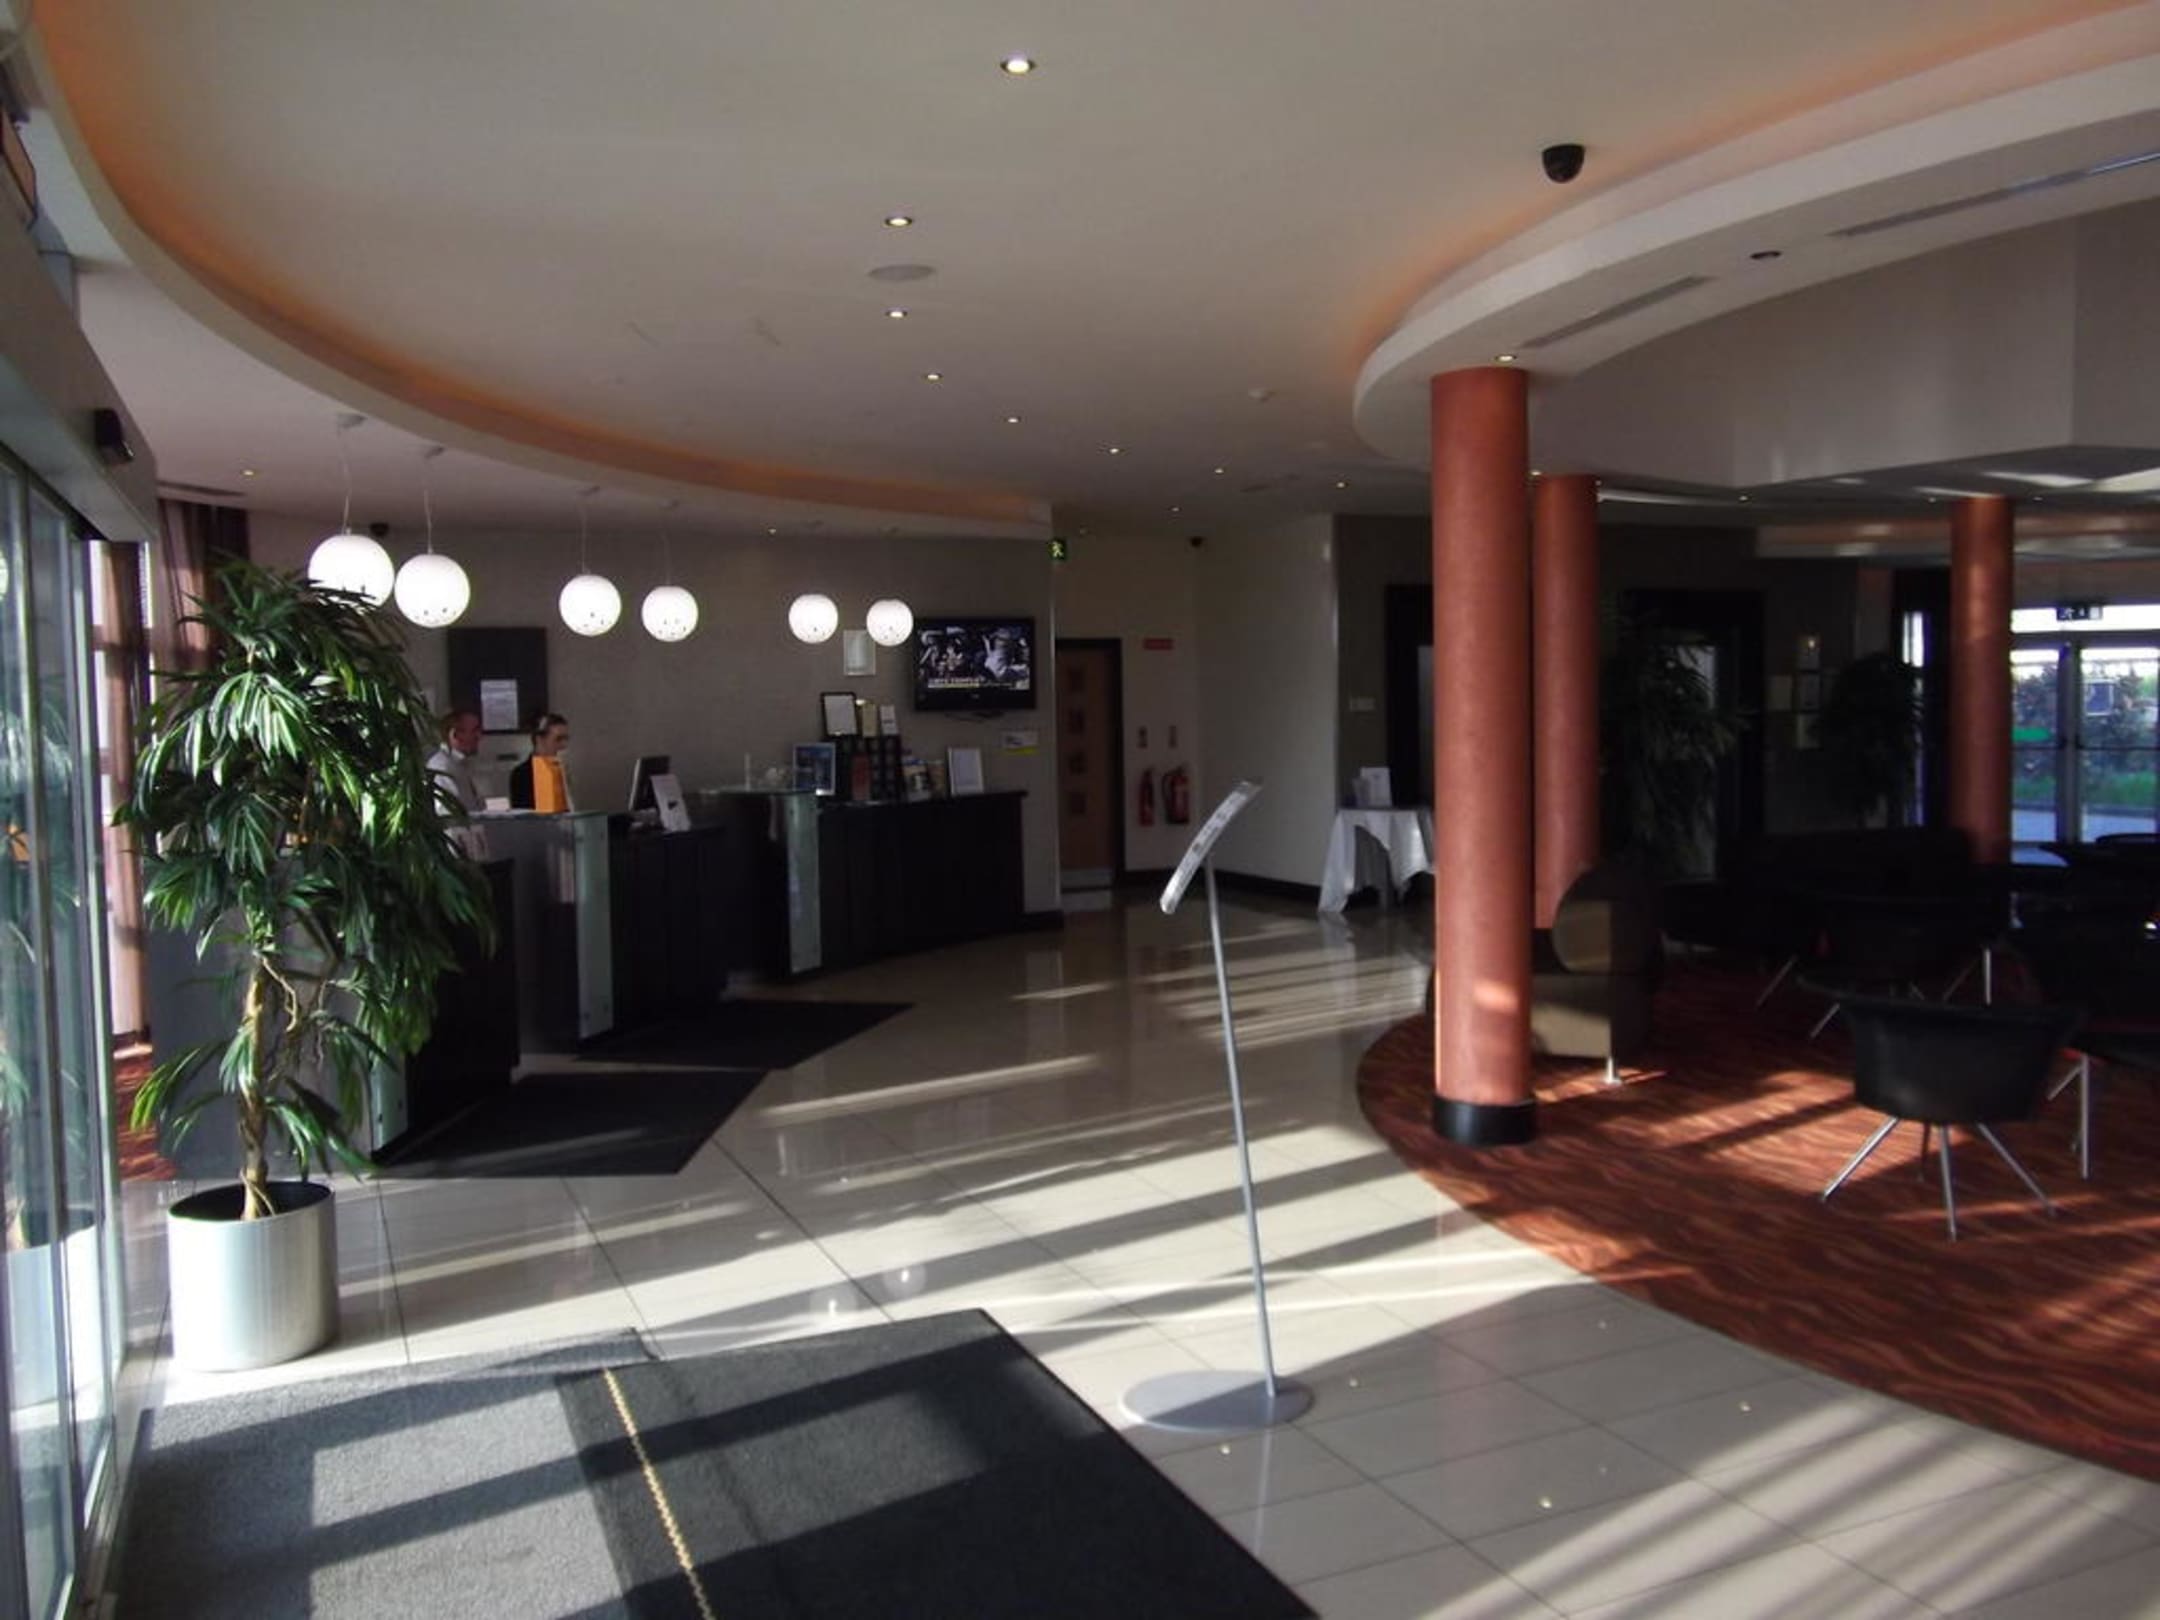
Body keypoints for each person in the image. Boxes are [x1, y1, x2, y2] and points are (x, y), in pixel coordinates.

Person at [509, 712, 574, 812]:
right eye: (558, 739)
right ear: (539, 740)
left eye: (566, 739)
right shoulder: (522, 774)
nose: (564, 745)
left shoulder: (562, 769)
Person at [426, 709, 486, 816]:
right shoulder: (442, 768)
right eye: (474, 731)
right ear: (454, 735)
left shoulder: (459, 764)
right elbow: (448, 814)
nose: (479, 737)